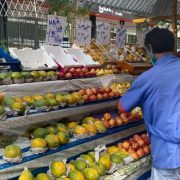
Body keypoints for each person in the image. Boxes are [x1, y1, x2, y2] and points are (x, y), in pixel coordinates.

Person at [118, 27, 180, 180]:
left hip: (168, 152)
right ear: (173, 47)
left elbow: (122, 107)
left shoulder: (148, 77)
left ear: (150, 49)